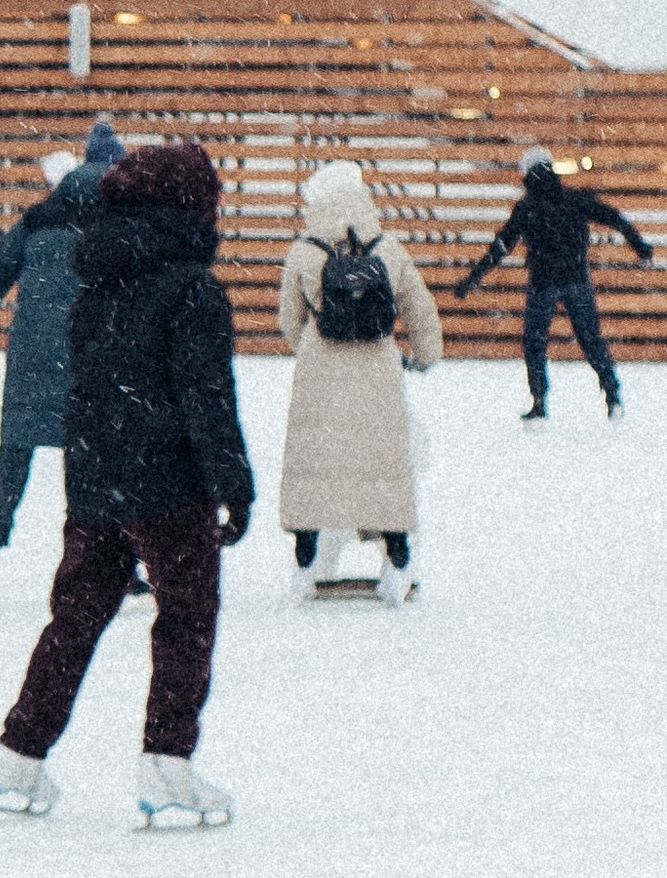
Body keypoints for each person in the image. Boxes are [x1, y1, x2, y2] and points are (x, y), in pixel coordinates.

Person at [0, 141, 253, 828]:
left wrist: (90, 468)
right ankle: (167, 766)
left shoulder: (98, 275)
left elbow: (88, 382)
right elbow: (206, 395)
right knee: (186, 619)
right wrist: (233, 482)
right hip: (170, 482)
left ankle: (19, 754)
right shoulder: (192, 288)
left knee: (73, 619)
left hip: (98, 476)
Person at [0, 121, 123, 587]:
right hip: (92, 354)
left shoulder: (39, 217)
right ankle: (112, 564)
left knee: (14, 454)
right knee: (95, 460)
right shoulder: (119, 225)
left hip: (31, 356)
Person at [277, 160, 441, 605]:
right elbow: (420, 310)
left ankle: (305, 570)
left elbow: (289, 321)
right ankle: (395, 568)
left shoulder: (304, 250)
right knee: (383, 471)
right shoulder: (388, 248)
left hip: (319, 376)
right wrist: (423, 358)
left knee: (314, 472)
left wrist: (314, 348)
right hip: (378, 372)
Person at [454, 143, 652, 421]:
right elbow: (613, 217)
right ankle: (613, 395)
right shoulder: (574, 199)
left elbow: (501, 246)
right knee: (591, 340)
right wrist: (638, 244)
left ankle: (539, 401)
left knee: (535, 344)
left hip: (542, 283)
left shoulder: (527, 207)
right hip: (576, 279)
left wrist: (473, 278)